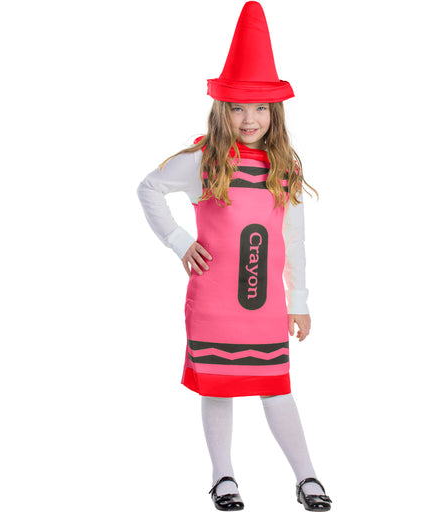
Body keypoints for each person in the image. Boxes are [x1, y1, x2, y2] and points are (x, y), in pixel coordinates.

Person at [137, 2, 332, 510]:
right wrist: (179, 241)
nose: (250, 119)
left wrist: (298, 300)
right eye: (239, 108)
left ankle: (307, 477)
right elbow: (149, 188)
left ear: (275, 112)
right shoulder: (204, 160)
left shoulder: (283, 166)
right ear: (222, 109)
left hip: (263, 303)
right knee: (218, 388)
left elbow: (293, 237)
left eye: (261, 108)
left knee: (276, 387)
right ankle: (223, 477)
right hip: (214, 303)